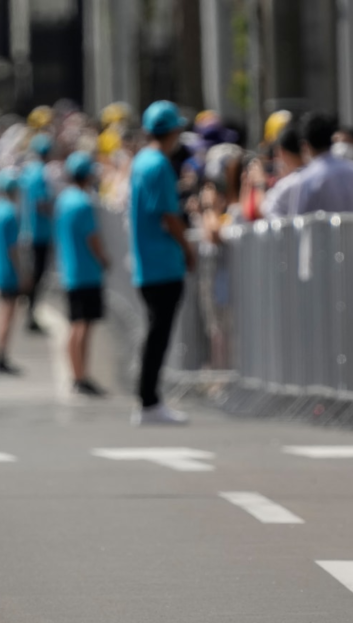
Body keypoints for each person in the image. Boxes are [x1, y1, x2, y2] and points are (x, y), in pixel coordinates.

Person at [128, 101, 196, 425]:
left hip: (147, 262)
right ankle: (149, 399)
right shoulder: (158, 165)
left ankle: (148, 397)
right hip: (162, 262)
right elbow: (169, 215)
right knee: (159, 332)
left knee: (155, 331)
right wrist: (187, 248)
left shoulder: (142, 161)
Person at [54, 151, 109, 397]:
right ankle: (79, 375)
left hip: (70, 269)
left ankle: (79, 374)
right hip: (85, 272)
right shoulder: (83, 202)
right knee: (81, 326)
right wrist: (103, 258)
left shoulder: (64, 199)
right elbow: (92, 238)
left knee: (78, 325)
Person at [0, 168, 25, 375]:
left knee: (1, 312)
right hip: (8, 271)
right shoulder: (11, 212)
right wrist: (22, 272)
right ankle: (1, 356)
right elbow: (14, 249)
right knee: (7, 315)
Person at [290, 111, 353, 215]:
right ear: (332, 138)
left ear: (306, 144)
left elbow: (298, 218)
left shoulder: (306, 177)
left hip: (319, 231)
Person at [19, 133, 54, 333]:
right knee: (37, 276)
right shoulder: (41, 173)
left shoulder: (28, 171)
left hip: (27, 230)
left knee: (31, 274)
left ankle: (29, 311)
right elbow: (42, 202)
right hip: (39, 233)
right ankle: (31, 313)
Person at [261, 124, 307, 218]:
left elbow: (265, 210)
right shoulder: (318, 175)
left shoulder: (287, 185)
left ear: (281, 152)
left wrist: (259, 184)